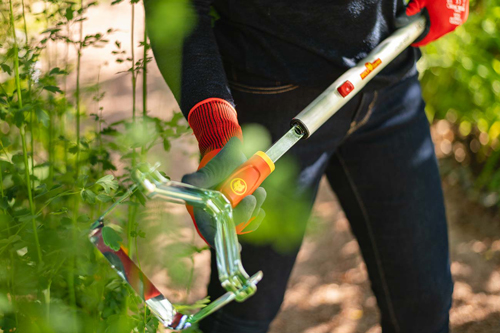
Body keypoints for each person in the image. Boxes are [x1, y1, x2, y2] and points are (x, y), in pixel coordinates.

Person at [144, 0, 469, 332]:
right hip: (271, 92)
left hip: (390, 78)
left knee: (425, 303)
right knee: (241, 314)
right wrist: (217, 130)